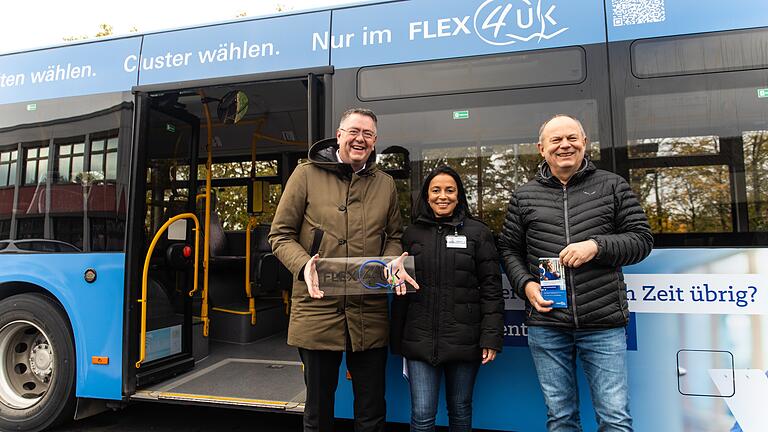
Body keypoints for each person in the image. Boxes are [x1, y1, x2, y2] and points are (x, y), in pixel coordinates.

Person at [498, 114, 653, 431]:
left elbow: (641, 240)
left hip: (603, 323)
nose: (564, 145)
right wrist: (526, 285)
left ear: (585, 143)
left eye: (572, 138)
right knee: (561, 417)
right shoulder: (523, 196)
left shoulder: (612, 186)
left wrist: (597, 246)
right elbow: (509, 249)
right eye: (555, 140)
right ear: (542, 149)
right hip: (547, 323)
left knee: (615, 418)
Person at [269, 108, 417, 432]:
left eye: (367, 134)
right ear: (339, 135)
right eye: (353, 131)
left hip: (369, 313)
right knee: (318, 412)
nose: (359, 139)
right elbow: (279, 235)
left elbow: (393, 236)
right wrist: (303, 263)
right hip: (317, 309)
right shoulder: (305, 174)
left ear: (375, 141)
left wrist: (393, 261)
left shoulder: (386, 184)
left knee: (372, 411)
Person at [391, 165, 504, 432]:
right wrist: (396, 340)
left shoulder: (478, 233)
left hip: (465, 339)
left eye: (450, 190)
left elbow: (491, 288)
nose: (443, 196)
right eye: (436, 190)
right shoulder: (411, 234)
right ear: (427, 197)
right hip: (419, 340)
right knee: (421, 416)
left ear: (459, 195)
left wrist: (491, 337)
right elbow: (400, 291)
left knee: (460, 411)